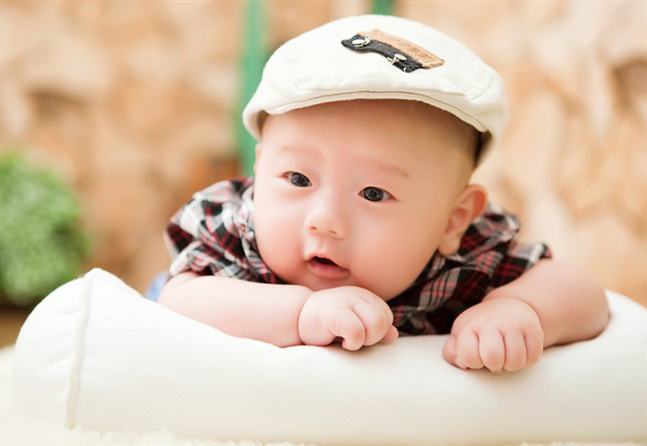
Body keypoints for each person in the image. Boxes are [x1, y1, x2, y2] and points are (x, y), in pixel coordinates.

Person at [157, 15, 608, 373]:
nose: (324, 219)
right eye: (297, 179)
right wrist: (301, 314)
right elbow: (178, 300)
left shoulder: (467, 259)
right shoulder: (240, 229)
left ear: (452, 220)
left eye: (373, 193)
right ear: (259, 170)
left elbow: (586, 295)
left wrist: (518, 310)